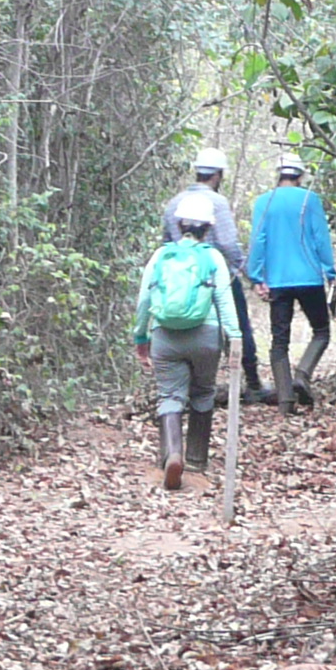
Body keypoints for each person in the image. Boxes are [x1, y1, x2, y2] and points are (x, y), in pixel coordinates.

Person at [134, 195, 241, 490]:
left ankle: (172, 455)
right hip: (206, 336)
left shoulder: (160, 256)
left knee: (169, 395)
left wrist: (141, 337)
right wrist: (235, 338)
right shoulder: (212, 258)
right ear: (208, 228)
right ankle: (196, 460)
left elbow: (144, 300)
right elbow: (224, 300)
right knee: (204, 392)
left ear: (180, 225)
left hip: (165, 336)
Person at [165, 148, 264, 404]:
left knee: (190, 328)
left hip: (182, 280)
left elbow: (166, 242)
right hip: (218, 276)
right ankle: (252, 382)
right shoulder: (217, 203)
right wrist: (248, 274)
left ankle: (188, 387)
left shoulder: (174, 203)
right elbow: (228, 244)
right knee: (238, 327)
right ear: (218, 175)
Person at [247, 154, 336, 411]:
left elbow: (258, 241)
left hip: (278, 281)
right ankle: (302, 375)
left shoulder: (264, 202)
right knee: (321, 331)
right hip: (310, 278)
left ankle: (286, 401)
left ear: (279, 174)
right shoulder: (310, 200)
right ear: (300, 176)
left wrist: (256, 277)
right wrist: (330, 272)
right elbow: (321, 238)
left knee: (279, 341)